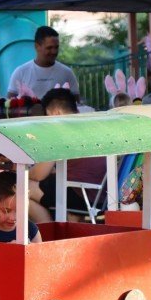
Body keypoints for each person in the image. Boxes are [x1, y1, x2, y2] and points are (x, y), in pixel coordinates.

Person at [27, 88, 106, 223]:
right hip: (102, 196)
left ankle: (50, 234)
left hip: (81, 195)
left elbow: (38, 174)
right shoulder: (91, 124)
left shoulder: (61, 129)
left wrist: (22, 171)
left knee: (19, 188)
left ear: (55, 112)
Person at [7, 26, 79, 100]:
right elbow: (9, 106)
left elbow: (77, 104)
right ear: (37, 46)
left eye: (56, 47)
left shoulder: (67, 73)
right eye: (49, 48)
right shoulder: (20, 72)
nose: (54, 51)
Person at [0, 170, 42, 243]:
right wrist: (9, 249)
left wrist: (29, 249)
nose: (13, 218)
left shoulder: (31, 230)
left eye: (20, 210)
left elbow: (40, 253)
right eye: (6, 211)